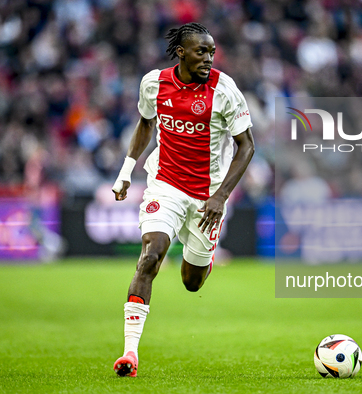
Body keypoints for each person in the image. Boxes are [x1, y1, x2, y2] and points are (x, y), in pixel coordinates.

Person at [110, 22, 255, 377]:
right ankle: (130, 354)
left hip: (208, 196)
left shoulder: (225, 90)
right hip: (166, 185)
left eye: (212, 53)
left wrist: (221, 196)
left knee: (192, 282)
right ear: (181, 52)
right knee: (151, 255)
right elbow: (146, 123)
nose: (208, 59)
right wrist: (127, 169)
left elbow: (247, 145)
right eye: (201, 52)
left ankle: (203, 254)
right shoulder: (153, 83)